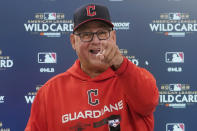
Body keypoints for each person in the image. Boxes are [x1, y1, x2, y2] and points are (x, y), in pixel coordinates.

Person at [25, 3, 159, 131]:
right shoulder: (49, 92)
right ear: (73, 42)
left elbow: (148, 103)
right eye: (86, 34)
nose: (95, 41)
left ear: (113, 37)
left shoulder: (135, 79)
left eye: (102, 33)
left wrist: (121, 64)